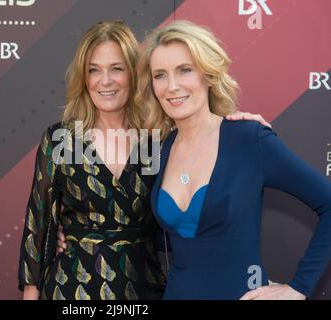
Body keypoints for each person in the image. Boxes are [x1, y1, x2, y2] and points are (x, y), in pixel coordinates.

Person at [19, 20, 270, 300]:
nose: (105, 81)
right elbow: (37, 229)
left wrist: (241, 130)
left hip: (142, 288)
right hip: (72, 290)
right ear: (83, 77)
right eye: (94, 70)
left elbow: (207, 148)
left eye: (117, 68)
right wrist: (32, 292)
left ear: (135, 74)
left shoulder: (158, 139)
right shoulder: (61, 140)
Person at [135, 20, 331, 300]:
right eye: (160, 75)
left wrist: (299, 287)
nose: (172, 86)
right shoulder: (161, 149)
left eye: (185, 70)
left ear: (209, 75)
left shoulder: (248, 139)